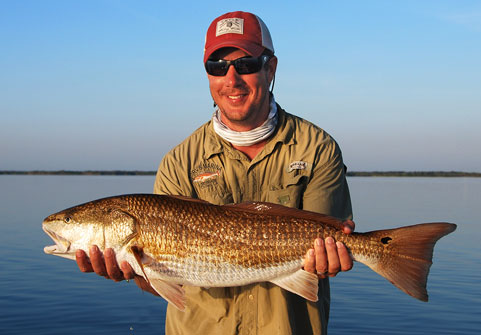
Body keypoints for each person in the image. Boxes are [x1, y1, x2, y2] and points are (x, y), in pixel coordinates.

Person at [76, 11, 354, 335]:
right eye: (218, 67)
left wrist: (330, 257)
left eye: (246, 64)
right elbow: (166, 284)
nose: (232, 79)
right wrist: (134, 271)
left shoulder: (316, 148)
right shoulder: (179, 162)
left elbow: (325, 246)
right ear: (207, 75)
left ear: (271, 68)